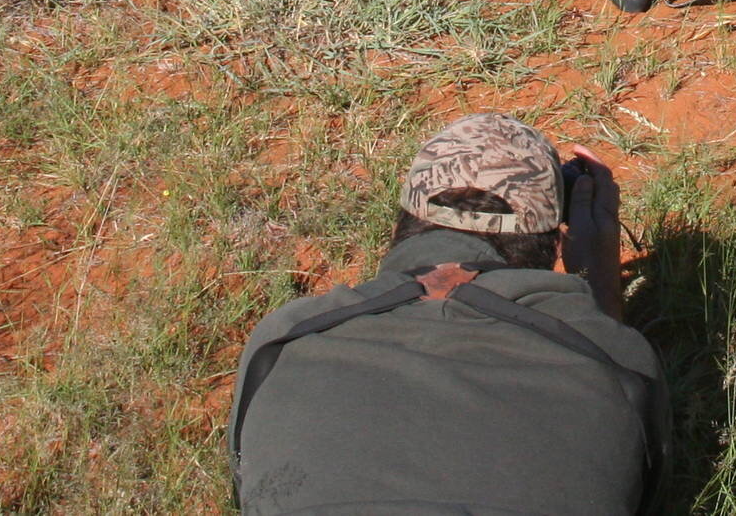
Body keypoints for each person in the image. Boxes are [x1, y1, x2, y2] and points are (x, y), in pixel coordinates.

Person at [227, 113, 668, 516]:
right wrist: (597, 279)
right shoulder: (615, 359)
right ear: (555, 241)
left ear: (402, 225)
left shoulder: (284, 340)